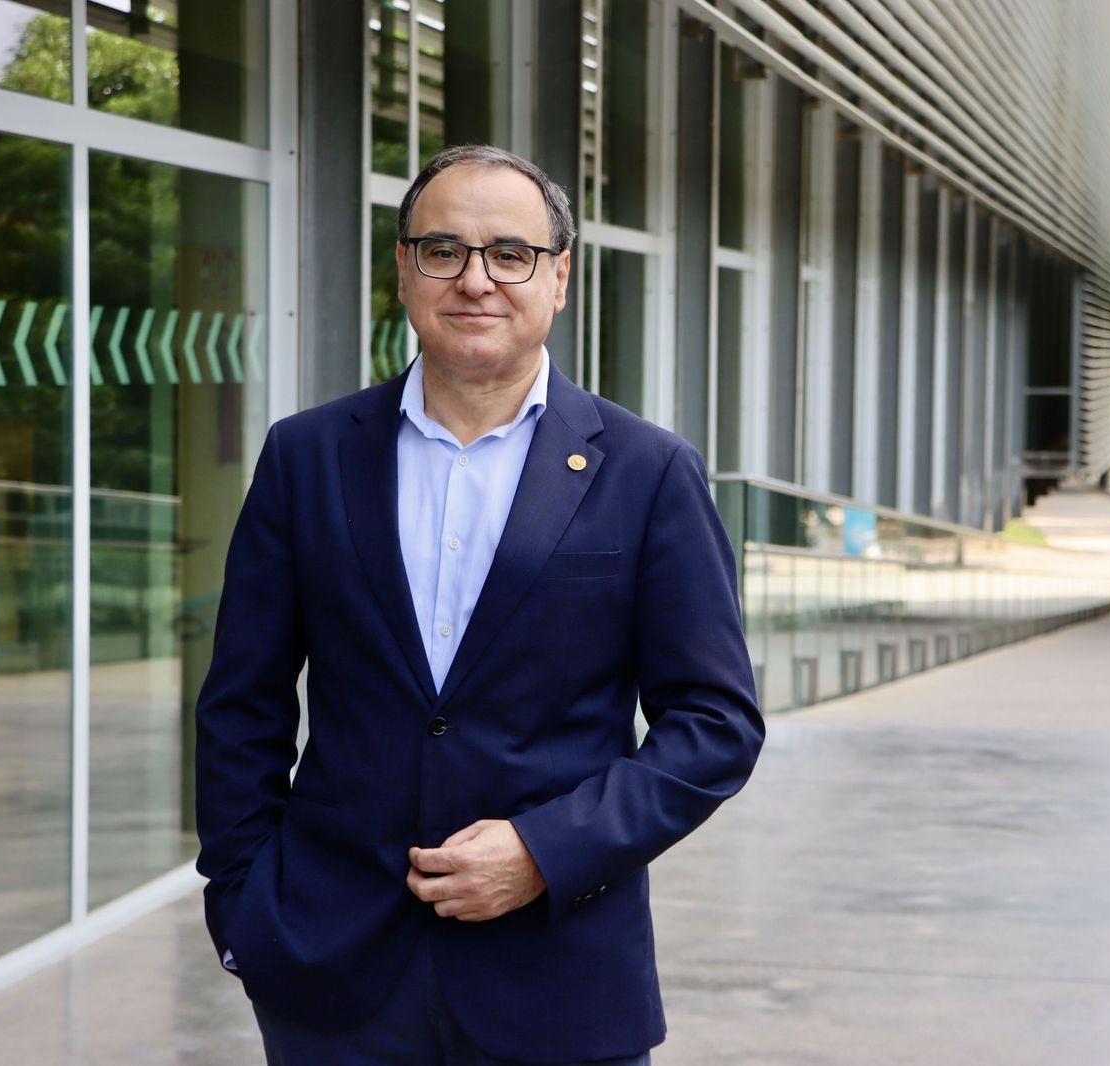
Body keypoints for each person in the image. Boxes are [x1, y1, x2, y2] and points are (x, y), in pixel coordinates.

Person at [194, 144, 765, 1066]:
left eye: (510, 253)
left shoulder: (649, 471)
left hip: (559, 981)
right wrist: (242, 907)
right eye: (443, 250)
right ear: (404, 268)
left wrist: (544, 851)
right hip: (332, 980)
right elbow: (240, 705)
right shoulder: (307, 457)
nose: (475, 279)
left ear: (559, 278)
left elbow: (715, 725)